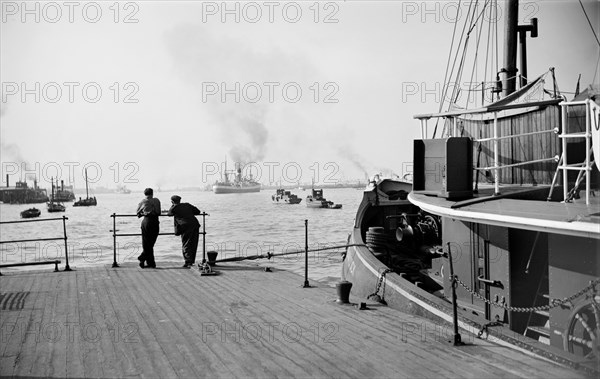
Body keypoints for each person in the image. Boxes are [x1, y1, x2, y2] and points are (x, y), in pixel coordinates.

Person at [167, 195, 201, 268]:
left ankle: (188, 262)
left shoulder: (174, 208)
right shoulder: (187, 205)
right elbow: (198, 211)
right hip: (195, 224)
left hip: (185, 226)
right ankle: (191, 261)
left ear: (172, 201)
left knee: (186, 243)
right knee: (193, 243)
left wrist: (172, 205)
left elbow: (169, 214)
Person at [136, 188, 161, 268]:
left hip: (146, 222)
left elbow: (137, 213)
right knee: (151, 243)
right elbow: (159, 212)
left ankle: (142, 258)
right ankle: (151, 263)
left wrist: (143, 212)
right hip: (155, 221)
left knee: (146, 242)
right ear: (152, 193)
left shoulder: (142, 202)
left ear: (144, 194)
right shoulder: (157, 200)